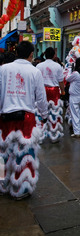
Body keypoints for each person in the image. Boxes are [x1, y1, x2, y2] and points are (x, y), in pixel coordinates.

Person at [0, 41, 48, 199]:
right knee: (24, 154)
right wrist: (45, 114)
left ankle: (2, 183)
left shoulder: (3, 69)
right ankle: (21, 189)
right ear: (31, 54)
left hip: (5, 116)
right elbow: (41, 98)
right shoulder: (34, 71)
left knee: (4, 152)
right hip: (26, 117)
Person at [36, 47, 65, 143]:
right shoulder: (57, 66)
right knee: (54, 112)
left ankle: (40, 136)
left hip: (41, 89)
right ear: (54, 55)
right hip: (54, 91)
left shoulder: (39, 66)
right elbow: (61, 81)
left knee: (40, 111)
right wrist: (63, 91)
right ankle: (54, 136)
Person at [65, 57, 80, 138]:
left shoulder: (75, 74)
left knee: (75, 114)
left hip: (74, 96)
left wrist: (69, 69)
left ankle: (76, 132)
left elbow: (67, 78)